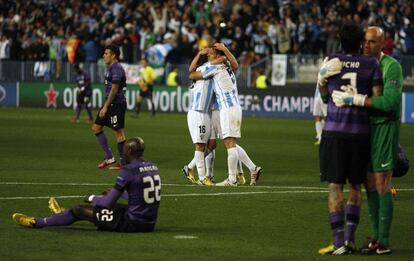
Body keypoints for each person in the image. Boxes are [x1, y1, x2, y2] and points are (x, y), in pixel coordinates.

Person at [332, 26, 403, 255]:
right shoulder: (363, 64)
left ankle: (383, 240)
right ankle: (376, 236)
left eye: (373, 42)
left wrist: (358, 100)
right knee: (369, 184)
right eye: (365, 41)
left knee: (382, 184)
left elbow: (390, 103)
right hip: (364, 130)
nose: (367, 45)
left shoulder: (392, 67)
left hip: (383, 129)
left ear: (383, 43)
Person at [317, 22, 383, 255]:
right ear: (360, 42)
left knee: (335, 185)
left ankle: (338, 243)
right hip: (360, 134)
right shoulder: (371, 63)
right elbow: (377, 99)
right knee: (356, 185)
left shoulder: (331, 61)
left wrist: (322, 80)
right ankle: (351, 239)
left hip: (334, 132)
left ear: (340, 40)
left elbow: (325, 97)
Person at [12, 137, 161, 233]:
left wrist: (91, 197)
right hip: (148, 222)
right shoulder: (153, 166)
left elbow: (108, 203)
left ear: (129, 150)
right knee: (97, 208)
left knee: (80, 210)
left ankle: (37, 222)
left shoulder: (128, 170)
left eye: (124, 150)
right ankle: (61, 214)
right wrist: (121, 193)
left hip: (132, 223)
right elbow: (139, 196)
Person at [189, 43, 262, 186]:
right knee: (230, 142)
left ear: (216, 55)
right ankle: (250, 169)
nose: (207, 56)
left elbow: (191, 74)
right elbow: (235, 65)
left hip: (227, 108)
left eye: (209, 54)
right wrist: (224, 53)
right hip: (235, 107)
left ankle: (232, 179)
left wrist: (218, 55)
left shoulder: (215, 68)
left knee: (229, 143)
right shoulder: (228, 66)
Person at [92, 45, 127, 170]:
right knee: (96, 128)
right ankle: (109, 157)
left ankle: (124, 164)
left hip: (116, 104)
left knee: (119, 132)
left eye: (106, 53)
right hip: (110, 103)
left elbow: (114, 89)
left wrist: (105, 107)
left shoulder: (116, 69)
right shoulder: (111, 68)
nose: (104, 55)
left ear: (113, 55)